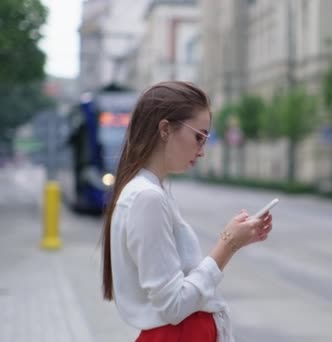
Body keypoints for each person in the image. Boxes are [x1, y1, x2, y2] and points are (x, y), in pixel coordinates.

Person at [100, 81, 273, 342]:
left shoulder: (147, 191)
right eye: (198, 137)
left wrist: (236, 241)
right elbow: (173, 305)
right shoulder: (147, 197)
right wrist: (227, 245)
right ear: (165, 129)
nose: (202, 150)